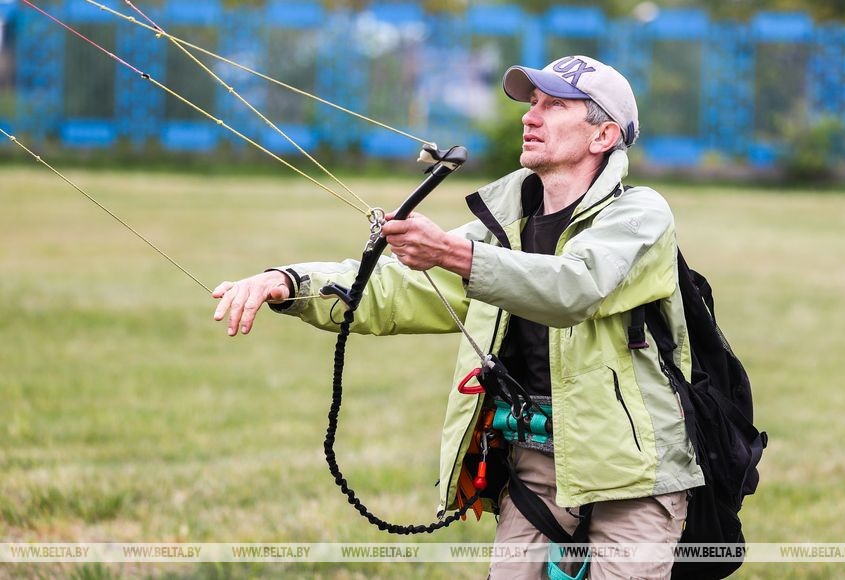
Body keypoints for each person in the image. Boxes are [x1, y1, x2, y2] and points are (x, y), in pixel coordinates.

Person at [213, 55, 704, 579]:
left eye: (555, 105)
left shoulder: (640, 214)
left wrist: (451, 253)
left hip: (635, 472)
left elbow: (574, 287)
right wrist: (291, 282)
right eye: (532, 102)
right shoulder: (503, 227)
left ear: (603, 135)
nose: (530, 116)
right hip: (536, 464)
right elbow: (397, 288)